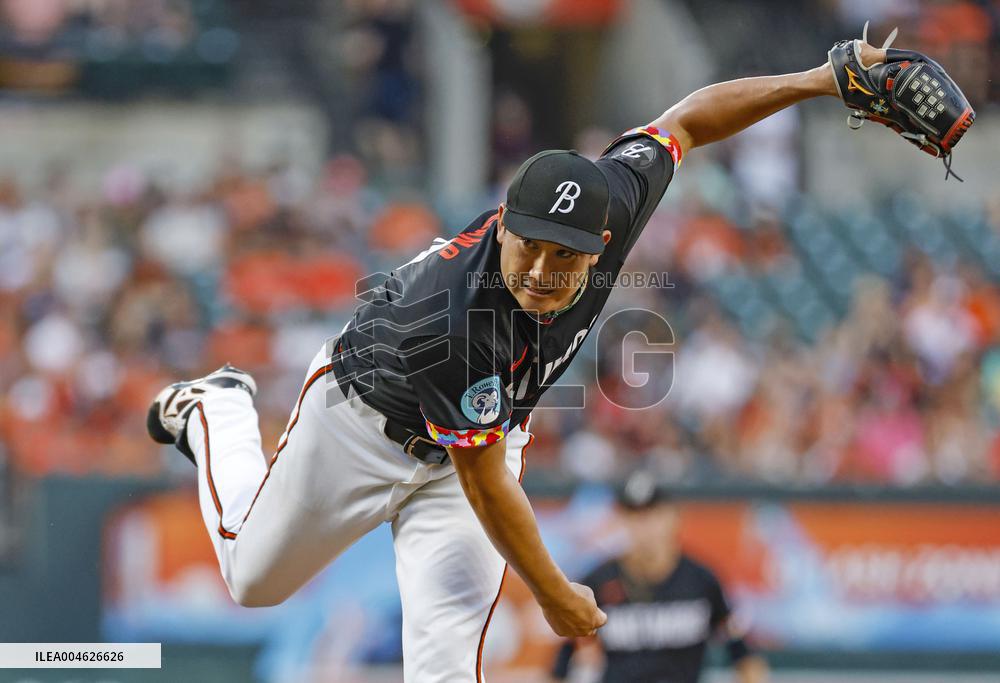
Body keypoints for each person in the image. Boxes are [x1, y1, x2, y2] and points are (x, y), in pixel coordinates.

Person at [147, 39, 890, 683]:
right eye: (527, 240)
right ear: (503, 219)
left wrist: (819, 81)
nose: (539, 267)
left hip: (476, 441)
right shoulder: (457, 317)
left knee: (443, 658)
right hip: (364, 423)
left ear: (604, 242)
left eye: (563, 254)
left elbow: (687, 121)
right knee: (253, 580)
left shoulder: (617, 197)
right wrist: (552, 590)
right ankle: (217, 406)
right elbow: (486, 485)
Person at [550, 472, 769, 683]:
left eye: (653, 514)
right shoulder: (598, 582)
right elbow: (561, 662)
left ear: (673, 517)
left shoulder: (702, 580)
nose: (644, 525)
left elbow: (743, 653)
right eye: (635, 516)